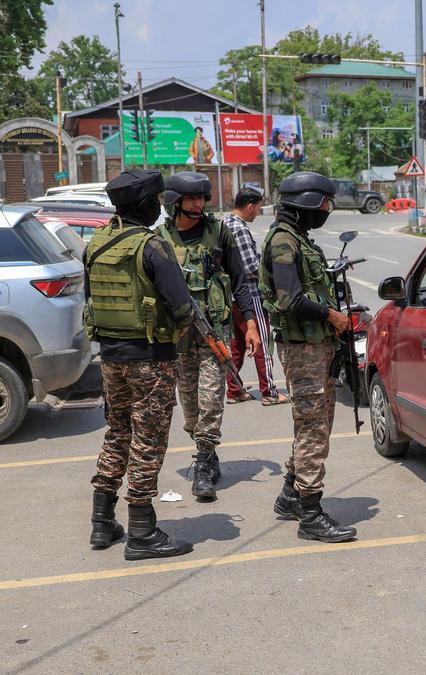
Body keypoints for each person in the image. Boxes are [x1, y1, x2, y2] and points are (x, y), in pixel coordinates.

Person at [86, 170, 197, 560]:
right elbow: (182, 307)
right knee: (147, 442)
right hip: (150, 360)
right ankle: (142, 532)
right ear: (147, 204)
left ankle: (102, 522)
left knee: (117, 434)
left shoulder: (96, 243)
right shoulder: (152, 246)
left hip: (111, 358)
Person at [260, 171, 357, 544]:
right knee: (313, 428)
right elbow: (289, 299)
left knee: (312, 425)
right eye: (325, 203)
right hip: (304, 350)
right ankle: (311, 515)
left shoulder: (296, 238)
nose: (327, 210)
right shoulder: (284, 242)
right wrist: (332, 316)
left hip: (314, 347)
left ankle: (290, 494)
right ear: (306, 203)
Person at [160, 172, 262, 502]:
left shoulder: (219, 233)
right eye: (191, 199)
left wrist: (250, 324)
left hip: (214, 333)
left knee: (212, 400)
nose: (197, 204)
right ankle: (208, 451)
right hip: (178, 338)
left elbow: (241, 282)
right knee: (190, 409)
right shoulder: (161, 239)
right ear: (175, 202)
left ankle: (203, 465)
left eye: (201, 198)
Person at [224, 186, 287, 406]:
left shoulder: (225, 223)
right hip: (250, 296)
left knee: (237, 346)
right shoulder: (239, 229)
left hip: (231, 297)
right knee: (262, 344)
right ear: (250, 206)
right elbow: (251, 266)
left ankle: (234, 390)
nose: (258, 213)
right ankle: (270, 392)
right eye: (258, 208)